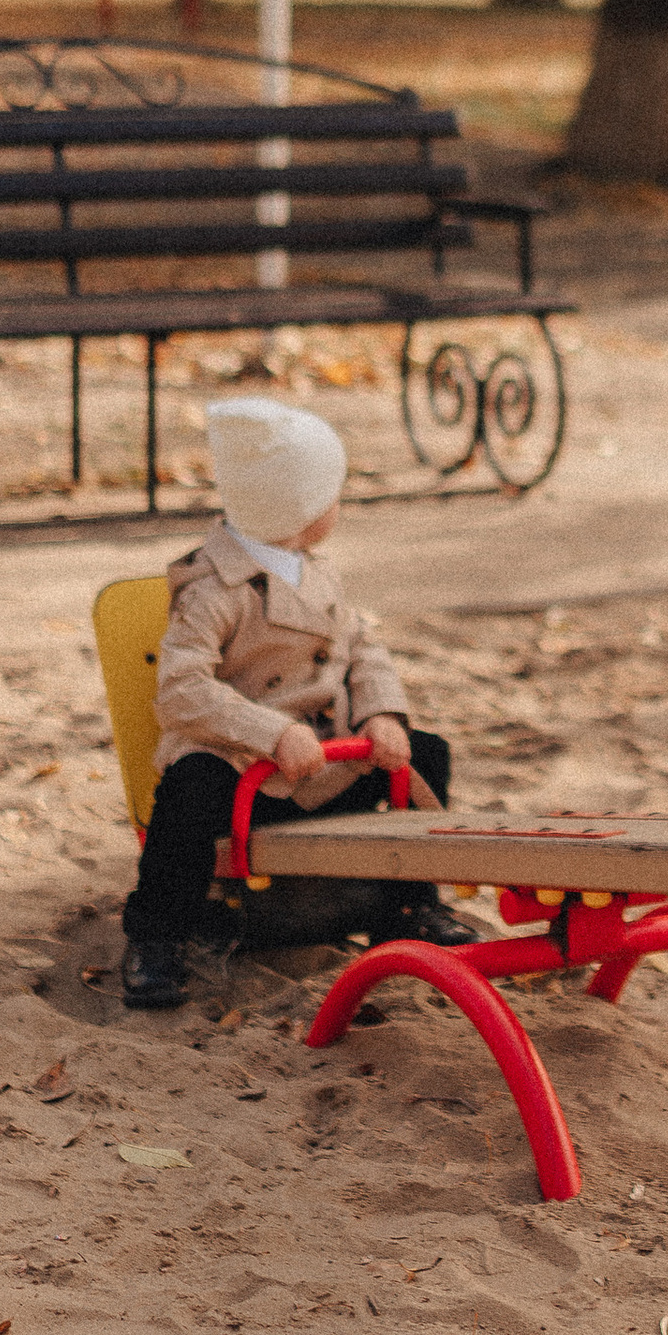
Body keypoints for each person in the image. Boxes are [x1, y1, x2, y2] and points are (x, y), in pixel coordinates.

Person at [119, 395, 475, 1010]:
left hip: (327, 759)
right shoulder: (212, 592)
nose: (336, 504)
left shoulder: (319, 570)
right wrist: (268, 734)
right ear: (304, 510)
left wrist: (381, 715)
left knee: (427, 756)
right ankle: (157, 935)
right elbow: (182, 689)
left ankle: (412, 905)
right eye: (330, 493)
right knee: (187, 789)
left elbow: (364, 647)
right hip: (246, 766)